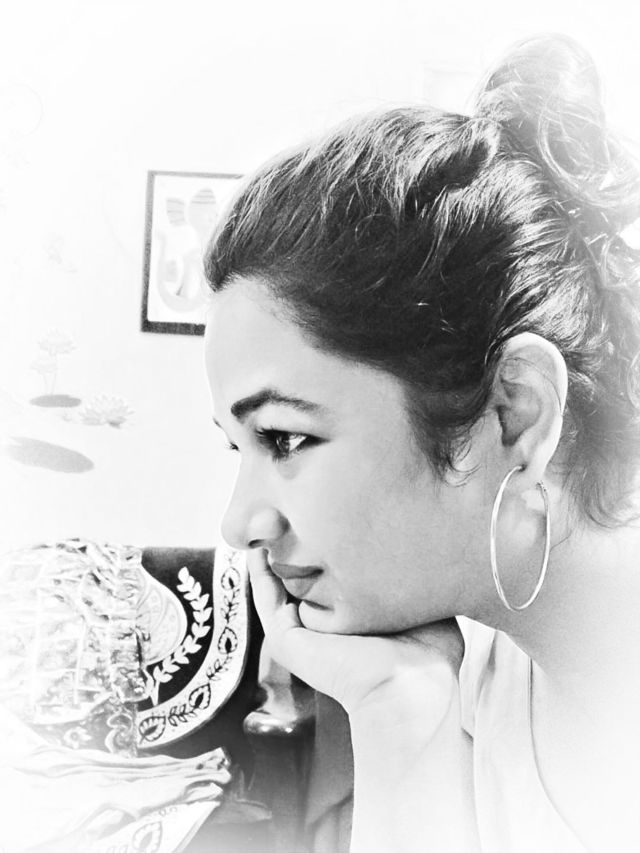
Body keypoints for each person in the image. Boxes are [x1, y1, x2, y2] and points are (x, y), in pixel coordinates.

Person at [202, 34, 640, 853]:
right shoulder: (470, 677)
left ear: (514, 414)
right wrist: (402, 718)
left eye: (285, 437)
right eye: (238, 447)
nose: (239, 524)